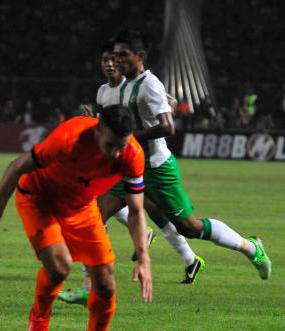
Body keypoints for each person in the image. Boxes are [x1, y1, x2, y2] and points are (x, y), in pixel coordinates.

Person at [0, 105, 152, 331]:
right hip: (40, 199)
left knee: (106, 285)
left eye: (121, 146)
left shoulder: (132, 154)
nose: (115, 154)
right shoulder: (69, 139)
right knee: (60, 266)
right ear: (98, 131)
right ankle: (39, 318)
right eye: (110, 145)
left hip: (81, 207)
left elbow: (135, 210)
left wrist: (143, 258)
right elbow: (16, 167)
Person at [102, 29, 271, 281]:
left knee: (190, 227)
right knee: (96, 214)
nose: (117, 60)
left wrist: (131, 137)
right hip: (131, 166)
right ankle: (93, 282)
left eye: (123, 55)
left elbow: (169, 127)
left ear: (140, 56)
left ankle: (251, 248)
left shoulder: (149, 84)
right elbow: (151, 108)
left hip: (157, 169)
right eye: (115, 55)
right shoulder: (124, 86)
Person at [59, 40, 204, 306]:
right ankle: (89, 285)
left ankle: (201, 256)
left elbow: (166, 106)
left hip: (148, 162)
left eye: (115, 59)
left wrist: (160, 113)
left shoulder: (139, 85)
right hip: (120, 160)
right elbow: (109, 124)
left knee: (171, 219)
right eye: (106, 60)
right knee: (98, 213)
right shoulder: (104, 92)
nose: (110, 64)